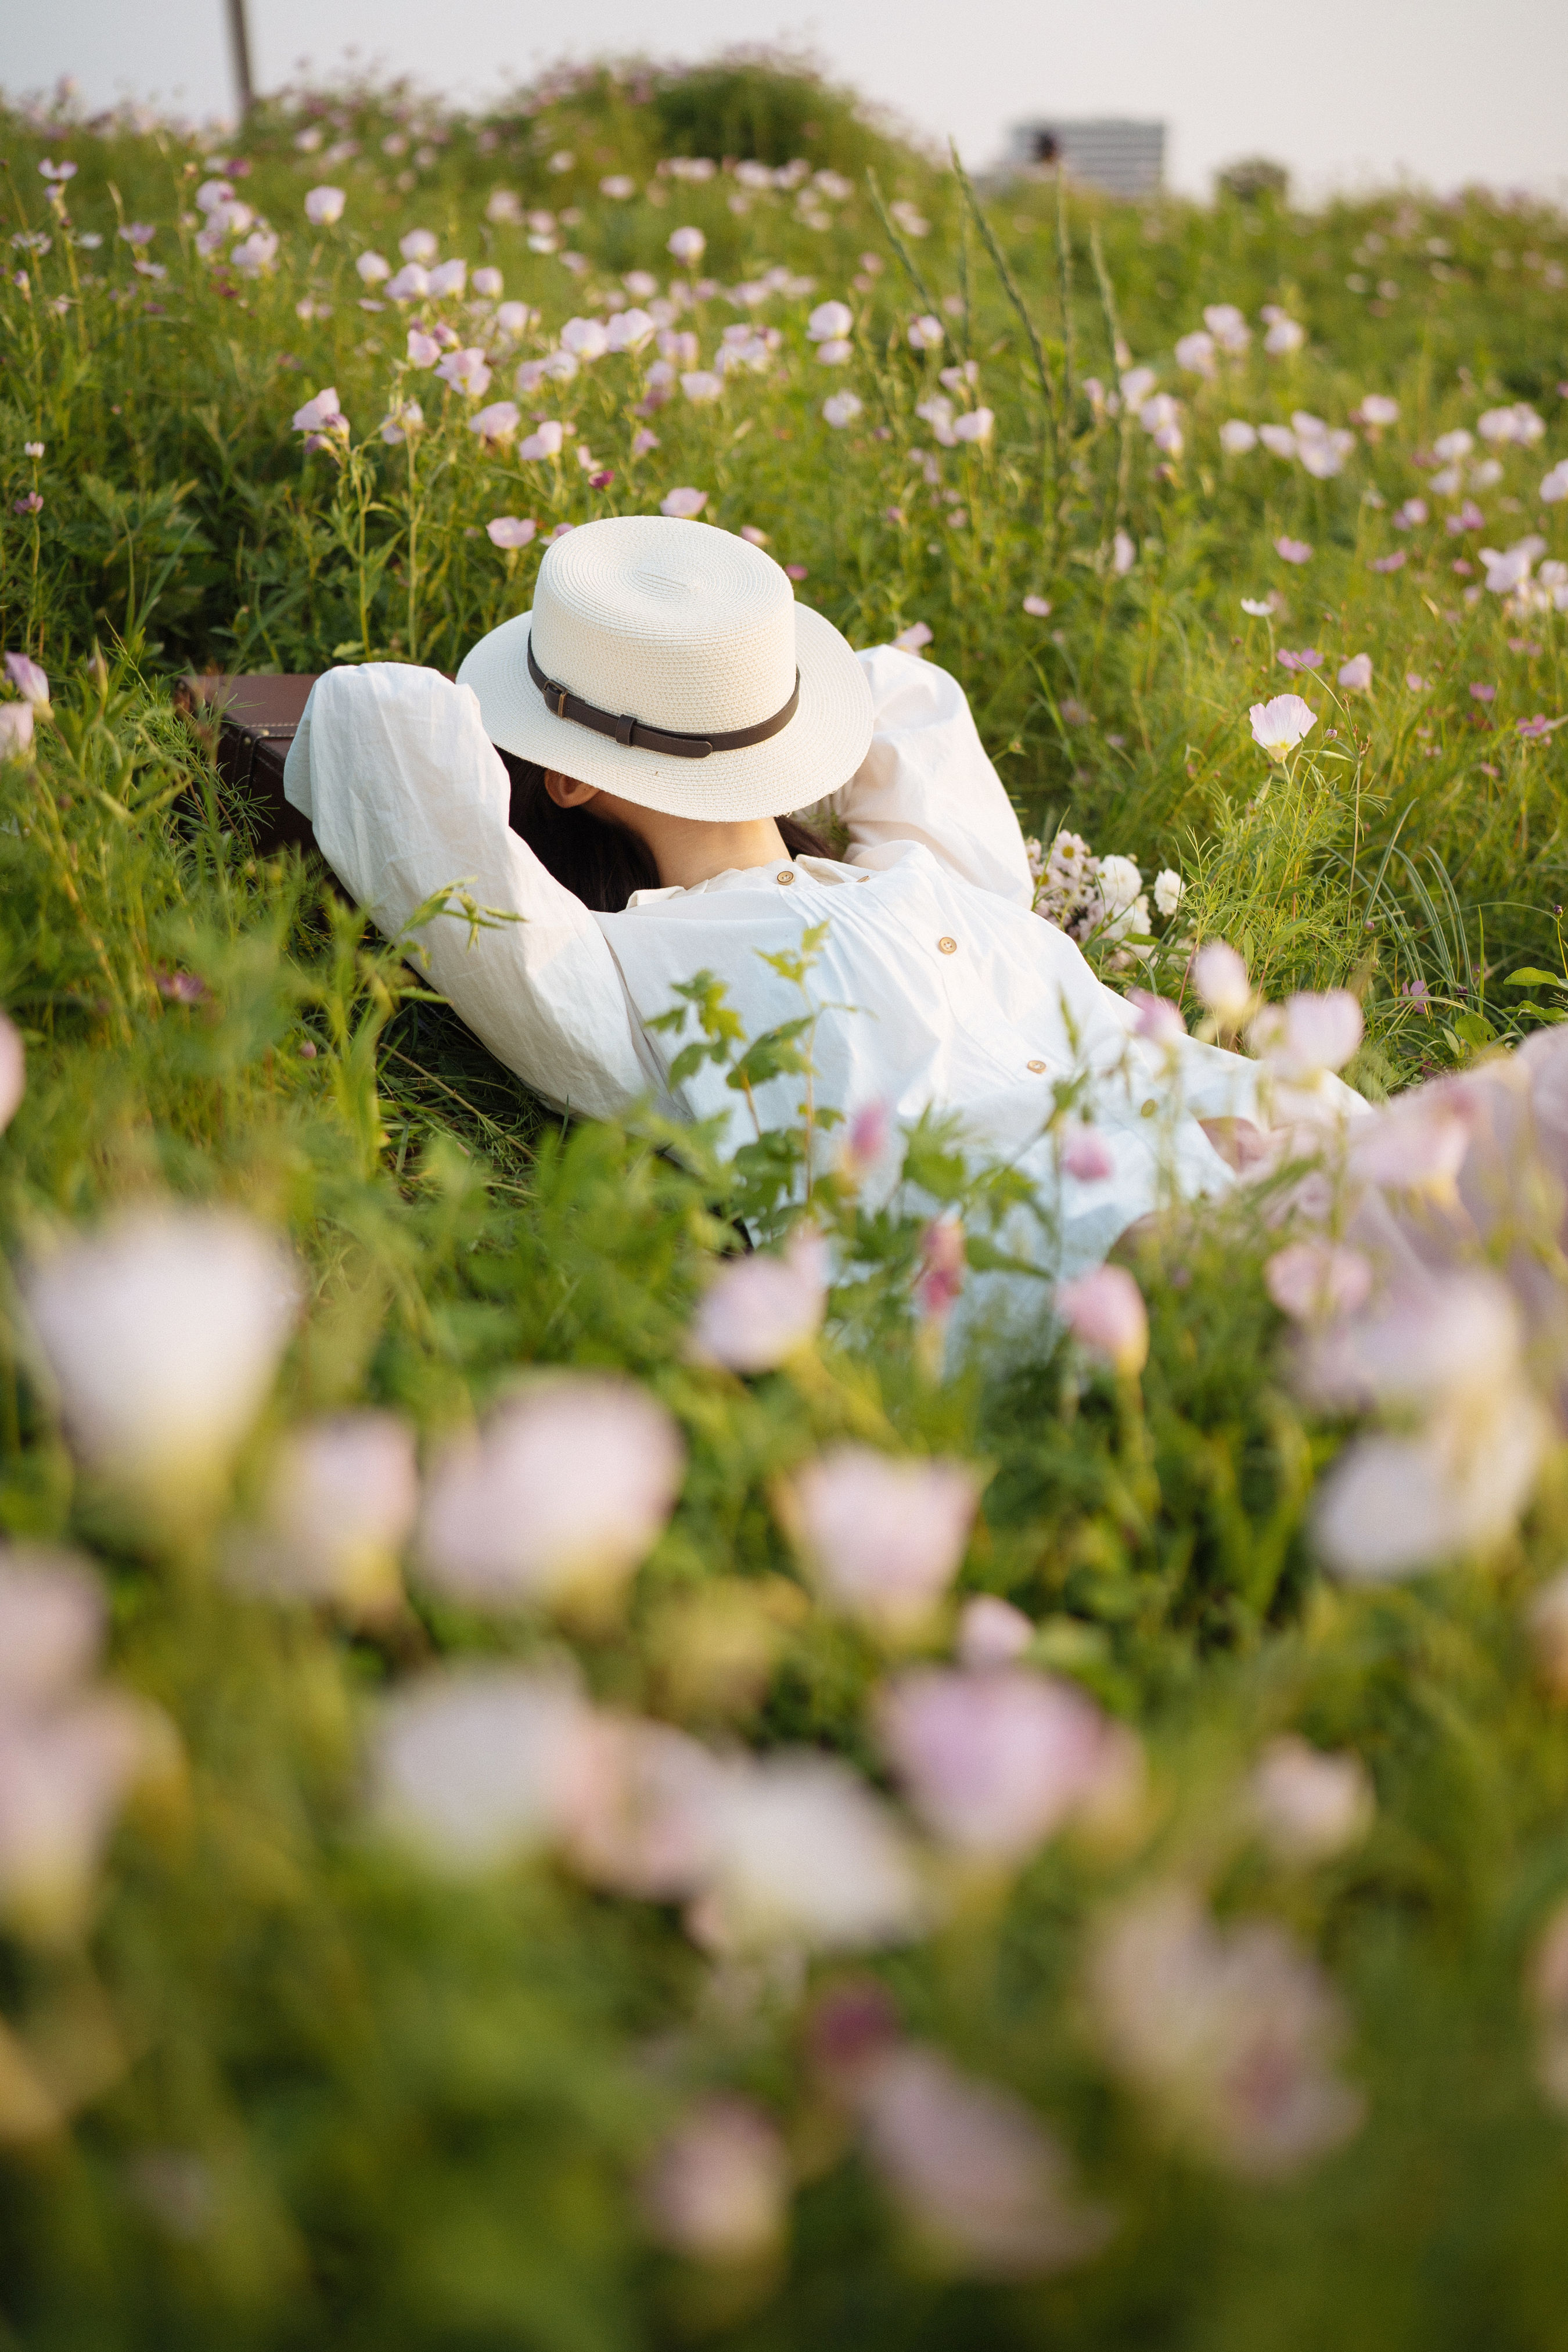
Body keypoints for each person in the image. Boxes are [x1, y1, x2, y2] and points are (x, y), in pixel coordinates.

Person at [284, 514, 1314, 1287]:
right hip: (1058, 1236)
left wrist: (734, 732)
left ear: (565, 773)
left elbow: (901, 697)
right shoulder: (615, 977)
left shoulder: (920, 873)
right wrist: (748, 733)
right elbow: (369, 724)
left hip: (1232, 1116)